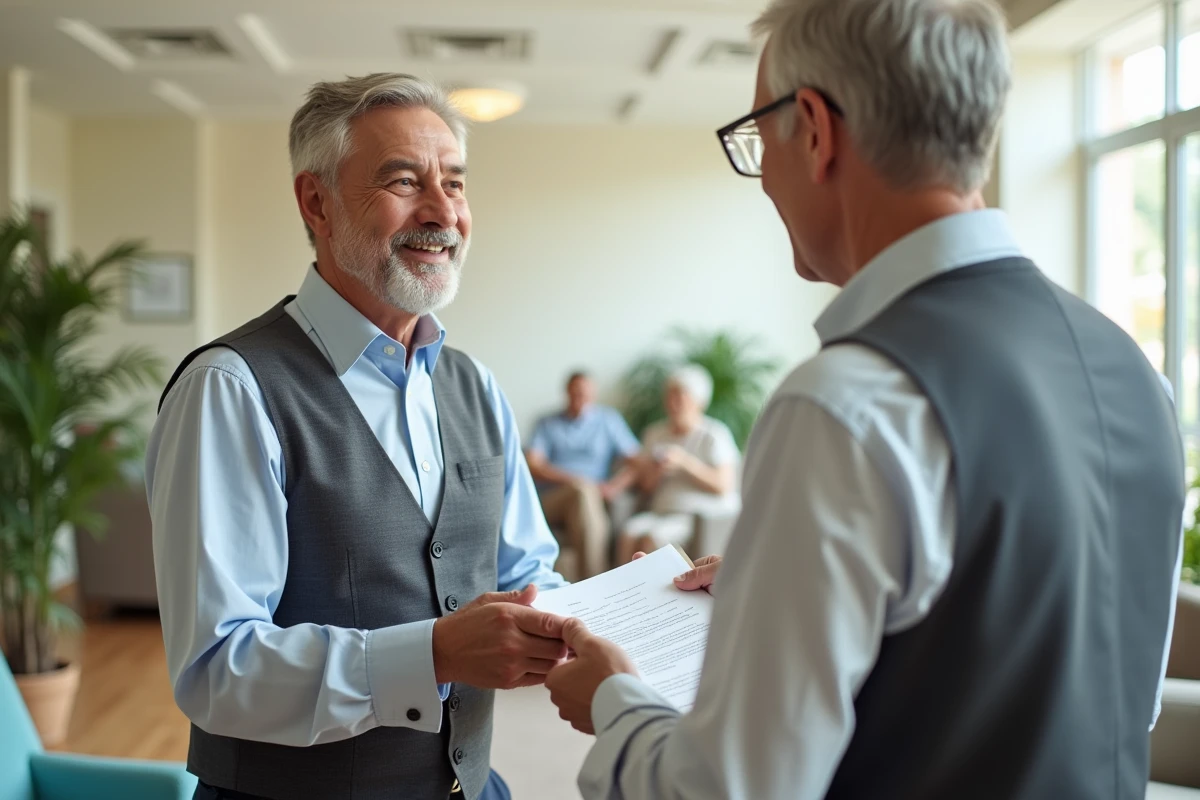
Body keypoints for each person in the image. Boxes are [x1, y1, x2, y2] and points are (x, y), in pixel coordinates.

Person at [544, 1, 1186, 798]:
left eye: (757, 138)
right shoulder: (1134, 371)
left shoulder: (846, 405)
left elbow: (726, 790)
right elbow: (1089, 687)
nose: (764, 179)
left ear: (813, 129)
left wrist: (614, 699)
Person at [147, 74, 569, 800]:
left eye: (456, 185)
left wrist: (661, 602)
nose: (443, 213)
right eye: (405, 181)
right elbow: (217, 669)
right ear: (317, 201)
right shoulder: (231, 389)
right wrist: (434, 654)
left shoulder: (475, 386)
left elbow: (531, 581)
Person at [614, 365, 739, 565]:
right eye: (669, 396)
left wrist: (684, 462)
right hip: (660, 513)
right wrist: (656, 471)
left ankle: (651, 595)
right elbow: (645, 487)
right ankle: (621, 592)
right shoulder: (655, 433)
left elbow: (723, 485)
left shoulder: (714, 434)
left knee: (652, 538)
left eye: (680, 397)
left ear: (698, 402)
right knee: (628, 533)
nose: (673, 403)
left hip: (695, 518)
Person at [526, 372, 641, 577]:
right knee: (582, 491)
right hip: (554, 499)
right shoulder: (547, 423)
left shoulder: (608, 420)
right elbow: (534, 465)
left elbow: (636, 461)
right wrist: (576, 480)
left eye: (584, 393)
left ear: (594, 394)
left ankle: (587, 581)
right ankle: (598, 581)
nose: (580, 397)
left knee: (585, 500)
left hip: (592, 497)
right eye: (575, 392)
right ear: (566, 393)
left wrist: (614, 486)